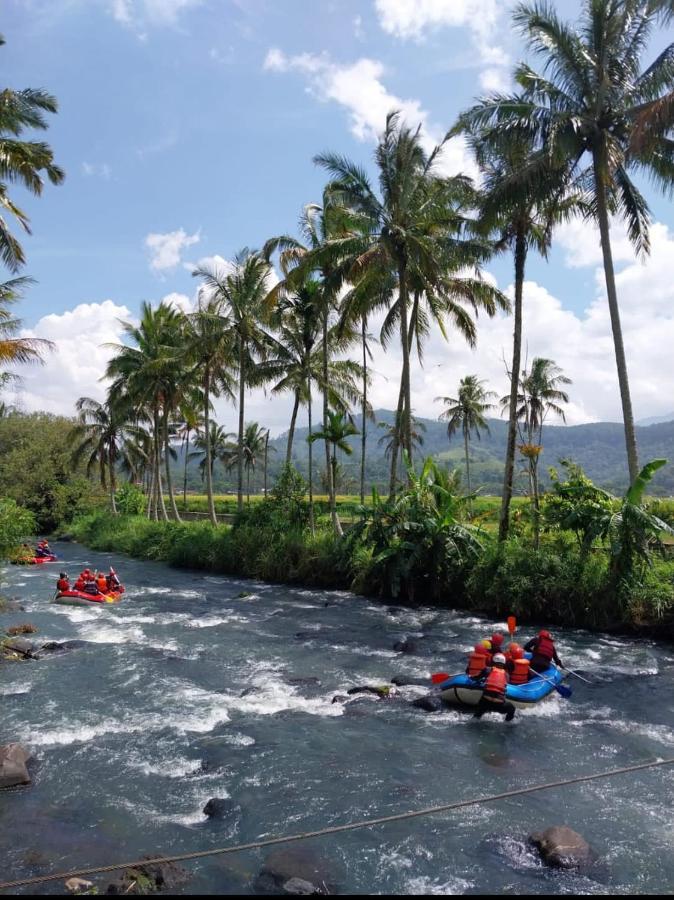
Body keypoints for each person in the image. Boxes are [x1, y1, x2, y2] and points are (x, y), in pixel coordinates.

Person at [472, 653, 516, 722]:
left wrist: (472, 677)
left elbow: (476, 678)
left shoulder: (488, 669)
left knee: (477, 715)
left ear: (493, 662)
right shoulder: (507, 675)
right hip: (499, 705)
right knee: (512, 708)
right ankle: (507, 722)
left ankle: (476, 716)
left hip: (485, 702)